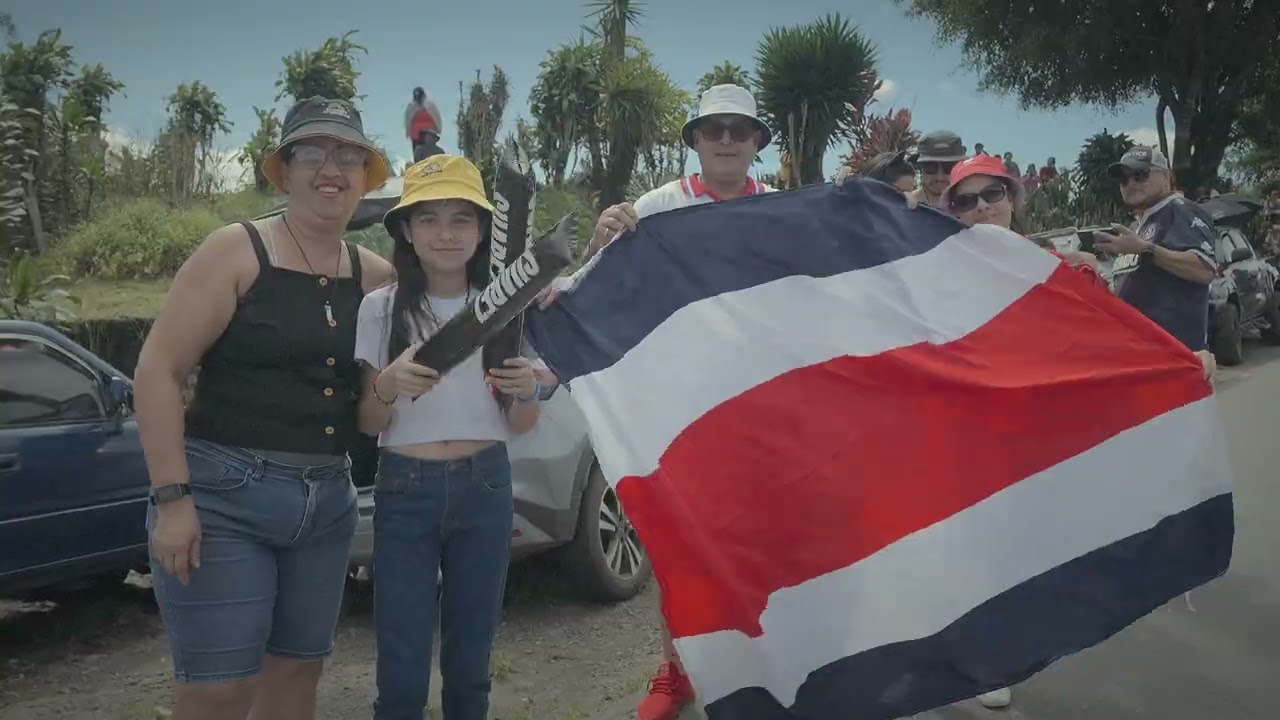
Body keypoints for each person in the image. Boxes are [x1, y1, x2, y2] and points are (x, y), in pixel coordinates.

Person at [134, 96, 394, 720]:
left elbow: (461, 300)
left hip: (328, 502)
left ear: (365, 177)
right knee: (216, 689)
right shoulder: (236, 251)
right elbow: (158, 371)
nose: (331, 168)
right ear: (283, 170)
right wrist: (172, 500)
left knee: (297, 677)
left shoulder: (375, 276)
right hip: (225, 496)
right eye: (311, 152)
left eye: (349, 155)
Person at [542, 82, 774, 720]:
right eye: (713, 128)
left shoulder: (783, 210)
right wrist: (599, 245)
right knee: (678, 551)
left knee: (763, 548)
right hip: (677, 408)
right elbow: (595, 289)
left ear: (756, 141)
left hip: (761, 410)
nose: (725, 138)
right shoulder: (657, 206)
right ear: (695, 140)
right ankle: (678, 670)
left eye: (738, 128)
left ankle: (765, 667)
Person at [355, 154, 546, 720]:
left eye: (461, 218)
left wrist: (528, 389)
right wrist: (388, 384)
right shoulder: (381, 309)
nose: (445, 233)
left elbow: (520, 423)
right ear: (406, 231)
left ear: (484, 229)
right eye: (429, 218)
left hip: (485, 485)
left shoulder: (508, 306)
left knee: (470, 664)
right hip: (403, 491)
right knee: (402, 668)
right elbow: (369, 422)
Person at [1094, 146, 1218, 352]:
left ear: (1166, 176)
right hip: (1142, 359)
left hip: (1175, 359)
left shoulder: (1179, 209)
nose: (1131, 184)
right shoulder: (1138, 226)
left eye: (1140, 174)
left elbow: (1204, 269)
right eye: (1123, 179)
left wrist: (1145, 250)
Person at [909, 130, 967, 209]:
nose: (940, 177)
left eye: (949, 168)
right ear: (919, 167)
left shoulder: (972, 209)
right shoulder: (904, 207)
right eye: (931, 168)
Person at [405, 87, 444, 162]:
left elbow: (436, 117)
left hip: (428, 133)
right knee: (418, 155)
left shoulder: (430, 105)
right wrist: (408, 133)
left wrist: (438, 129)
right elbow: (408, 120)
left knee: (430, 154)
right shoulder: (411, 107)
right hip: (416, 135)